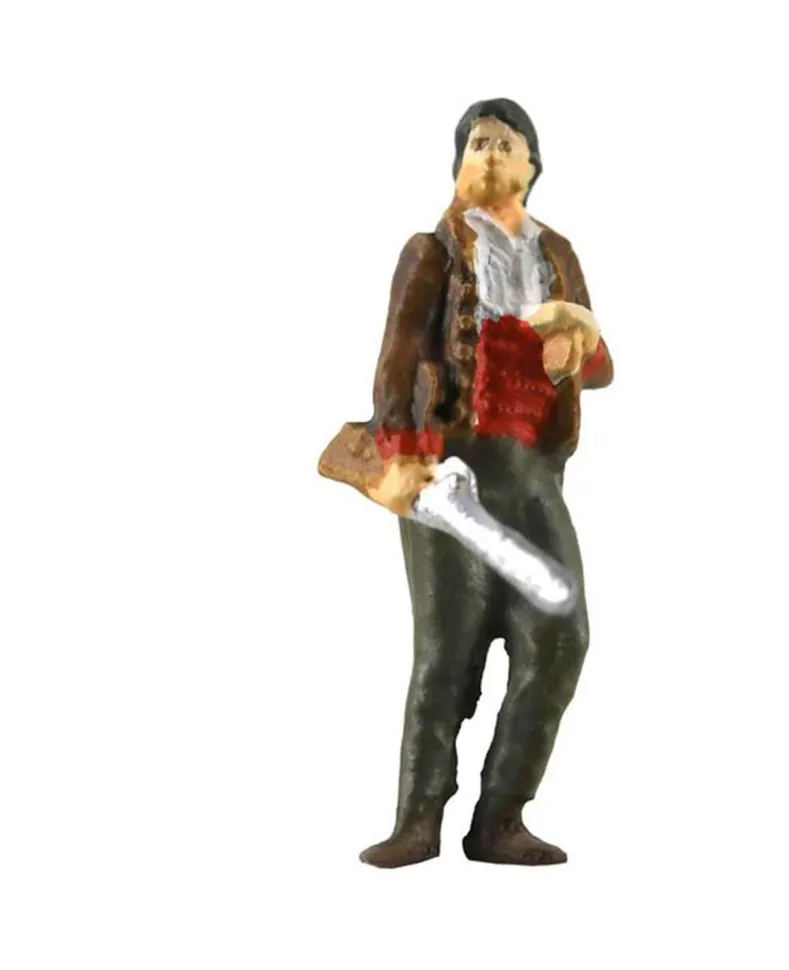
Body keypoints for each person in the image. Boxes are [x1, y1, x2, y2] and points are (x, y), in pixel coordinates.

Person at [323, 98, 613, 866]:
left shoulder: (557, 253)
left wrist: (575, 346)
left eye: (504, 143)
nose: (488, 153)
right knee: (448, 644)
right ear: (458, 165)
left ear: (532, 165)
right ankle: (417, 819)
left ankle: (501, 818)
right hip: (445, 461)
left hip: (530, 469)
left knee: (561, 633)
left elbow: (601, 365)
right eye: (477, 142)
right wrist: (401, 451)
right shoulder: (433, 251)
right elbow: (396, 357)